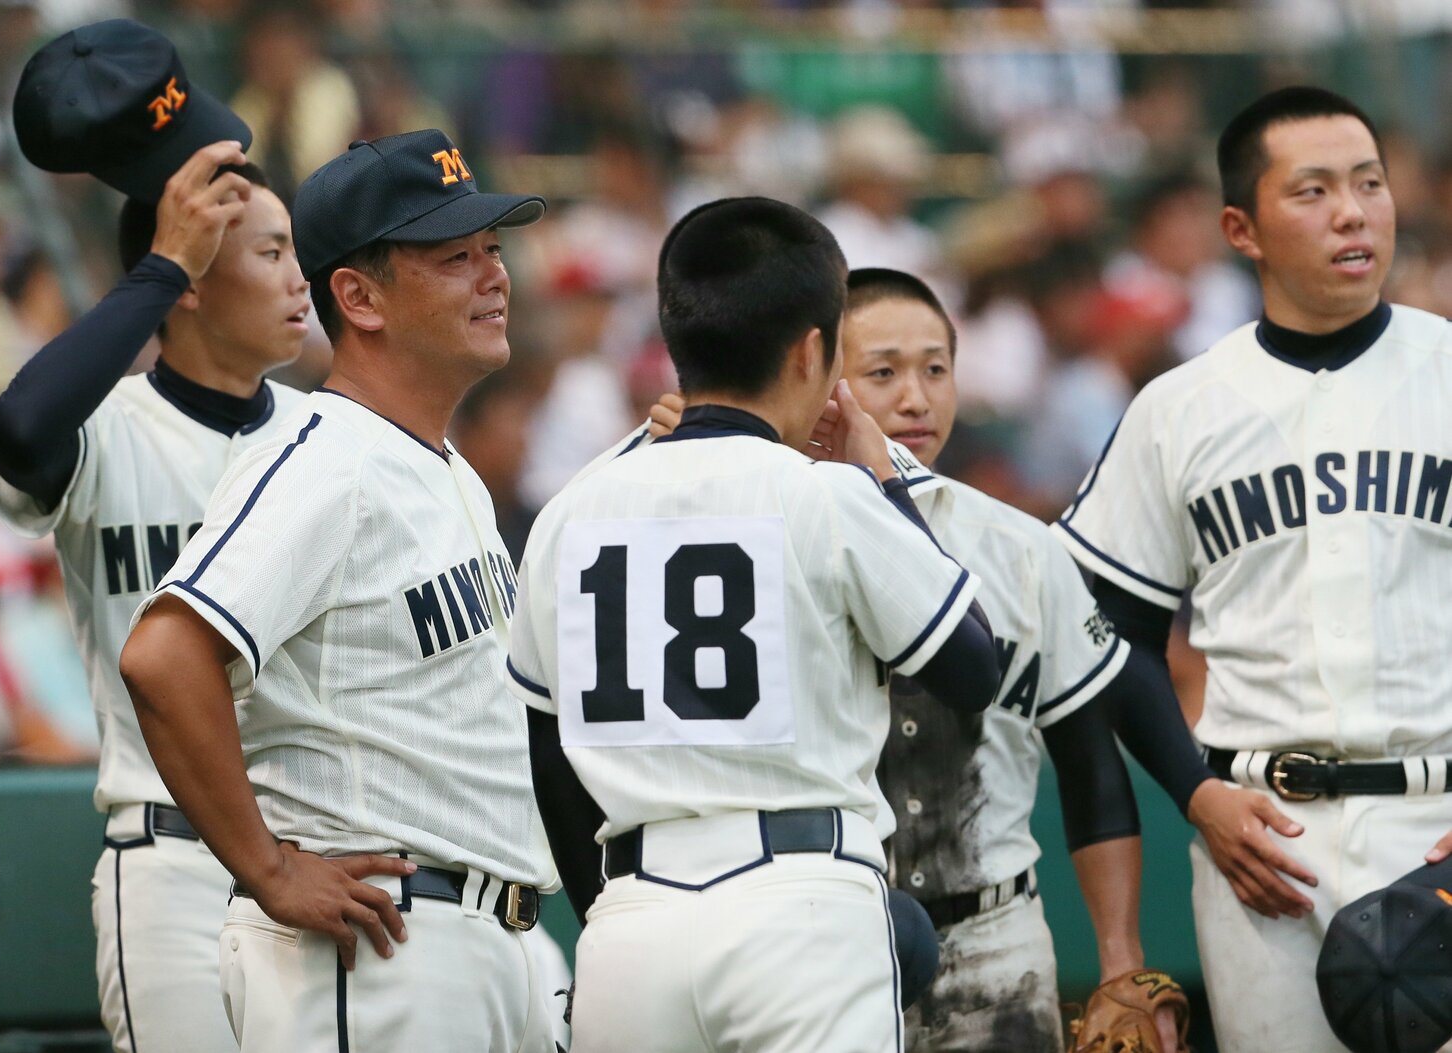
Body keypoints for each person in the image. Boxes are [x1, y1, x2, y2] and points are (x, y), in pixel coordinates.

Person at [505, 196, 1000, 1053]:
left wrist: (606, 910)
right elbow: (972, 671)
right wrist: (883, 482)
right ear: (813, 349)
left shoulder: (570, 509)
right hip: (801, 907)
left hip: (631, 919)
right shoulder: (828, 493)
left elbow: (545, 751)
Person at [119, 129, 557, 1052]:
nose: (493, 277)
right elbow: (164, 654)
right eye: (454, 257)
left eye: (494, 250)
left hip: (480, 936)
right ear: (357, 297)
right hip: (384, 943)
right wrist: (269, 868)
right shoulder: (324, 459)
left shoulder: (444, 467)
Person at [1053, 85, 1452, 1052]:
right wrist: (1196, 793)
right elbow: (1104, 634)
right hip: (1261, 850)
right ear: (1242, 227)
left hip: (1439, 826)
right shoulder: (1181, 406)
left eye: (1368, 183)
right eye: (1312, 190)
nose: (1353, 212)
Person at [0, 123, 306, 1053]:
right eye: (272, 252)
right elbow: (22, 426)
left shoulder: (325, 436)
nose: (301, 279)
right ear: (194, 278)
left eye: (298, 251)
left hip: (318, 841)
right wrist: (161, 265)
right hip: (175, 859)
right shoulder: (108, 430)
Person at [834, 267, 1184, 1051]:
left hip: (1000, 942)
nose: (916, 398)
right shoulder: (772, 533)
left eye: (936, 368)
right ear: (822, 379)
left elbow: (1091, 766)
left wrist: (1120, 960)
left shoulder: (1025, 547)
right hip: (829, 942)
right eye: (882, 371)